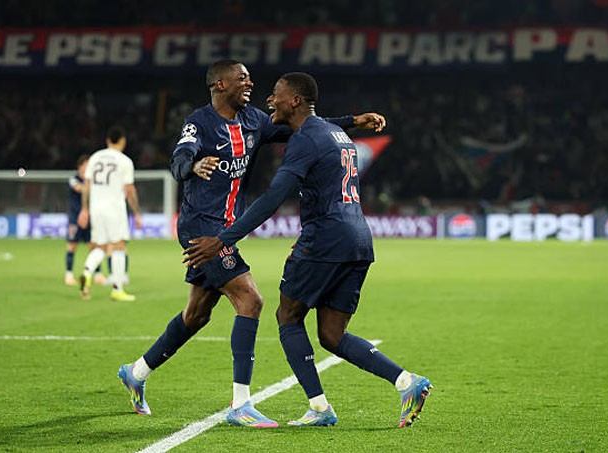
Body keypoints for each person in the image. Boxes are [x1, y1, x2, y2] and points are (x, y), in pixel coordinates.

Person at [117, 59, 386, 427]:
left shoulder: (254, 121)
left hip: (223, 229)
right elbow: (179, 159)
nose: (250, 83)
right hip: (202, 229)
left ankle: (136, 372)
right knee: (251, 300)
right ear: (220, 84)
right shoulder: (200, 122)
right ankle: (240, 404)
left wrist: (353, 121)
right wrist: (192, 166)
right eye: (242, 78)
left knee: (196, 315)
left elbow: (305, 125)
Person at [184, 72, 432, 428]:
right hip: (358, 239)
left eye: (276, 94)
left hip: (327, 238)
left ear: (295, 101)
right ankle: (407, 382)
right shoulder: (336, 134)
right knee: (332, 335)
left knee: (288, 316)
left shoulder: (304, 140)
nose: (270, 100)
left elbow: (273, 197)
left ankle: (319, 406)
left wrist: (223, 239)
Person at [77, 125, 142, 302]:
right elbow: (129, 191)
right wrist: (136, 213)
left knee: (100, 247)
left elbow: (86, 186)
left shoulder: (95, 158)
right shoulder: (124, 161)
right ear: (123, 141)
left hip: (96, 209)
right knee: (119, 247)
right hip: (114, 209)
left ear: (107, 141)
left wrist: (84, 209)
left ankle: (87, 273)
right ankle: (117, 290)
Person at [64, 154, 106, 286]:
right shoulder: (74, 179)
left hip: (91, 217)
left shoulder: (92, 180)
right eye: (86, 165)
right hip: (75, 218)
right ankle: (69, 275)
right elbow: (80, 189)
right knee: (72, 246)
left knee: (94, 246)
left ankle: (98, 274)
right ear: (80, 166)